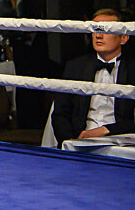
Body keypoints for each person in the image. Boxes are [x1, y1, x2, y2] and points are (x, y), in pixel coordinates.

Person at [52, 8, 134, 147]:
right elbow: (60, 113)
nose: (98, 36)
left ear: (124, 38)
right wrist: (70, 141)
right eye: (95, 29)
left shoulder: (132, 69)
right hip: (81, 142)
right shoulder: (75, 67)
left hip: (122, 144)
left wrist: (107, 130)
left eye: (106, 30)